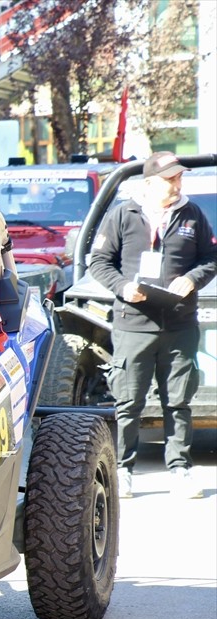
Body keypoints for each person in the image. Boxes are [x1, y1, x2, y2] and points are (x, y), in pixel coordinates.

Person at [89, 151, 217, 500]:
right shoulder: (122, 214)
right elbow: (99, 262)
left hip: (179, 324)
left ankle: (180, 468)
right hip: (133, 324)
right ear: (149, 183)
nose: (178, 184)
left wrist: (192, 279)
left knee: (178, 401)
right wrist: (122, 287)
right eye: (170, 179)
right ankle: (123, 469)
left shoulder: (192, 214)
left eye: (179, 178)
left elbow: (210, 257)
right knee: (128, 402)